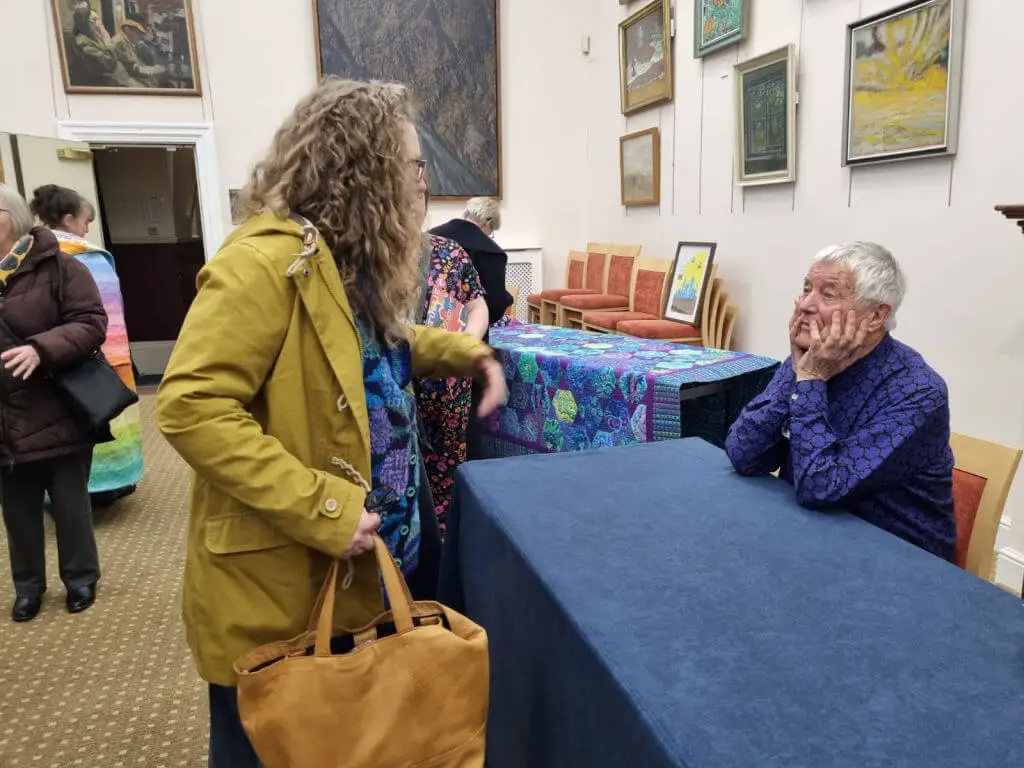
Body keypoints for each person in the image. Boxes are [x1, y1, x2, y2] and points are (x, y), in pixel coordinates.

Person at [155, 78, 506, 767]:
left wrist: (468, 353)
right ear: (366, 172)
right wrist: (322, 507)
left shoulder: (345, 264)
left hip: (367, 567)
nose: (421, 184)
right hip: (283, 585)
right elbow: (191, 406)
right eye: (413, 165)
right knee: (282, 739)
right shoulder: (262, 262)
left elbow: (376, 347)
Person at [725, 242, 955, 560]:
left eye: (828, 294)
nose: (805, 305)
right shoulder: (811, 362)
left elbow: (820, 486)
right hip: (811, 534)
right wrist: (799, 373)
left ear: (876, 316)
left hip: (895, 559)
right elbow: (744, 454)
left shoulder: (919, 391)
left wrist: (810, 379)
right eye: (806, 289)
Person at [0, 183, 108, 622]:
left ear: (11, 217)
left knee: (70, 505)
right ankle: (28, 587)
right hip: (4, 418)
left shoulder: (61, 266)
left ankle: (80, 578)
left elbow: (91, 322)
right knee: (17, 512)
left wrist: (40, 349)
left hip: (57, 408)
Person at [30, 185, 143, 503]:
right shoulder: (88, 257)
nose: (88, 229)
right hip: (98, 355)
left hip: (48, 353)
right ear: (68, 219)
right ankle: (108, 482)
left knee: (57, 421)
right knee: (106, 410)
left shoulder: (27, 256)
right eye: (86, 221)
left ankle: (60, 489)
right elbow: (110, 316)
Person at [412, 184, 488, 532]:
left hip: (447, 389)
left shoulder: (450, 252)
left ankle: (444, 542)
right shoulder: (370, 255)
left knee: (446, 473)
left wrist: (465, 347)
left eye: (419, 197)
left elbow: (478, 306)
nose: (413, 205)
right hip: (398, 384)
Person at [430, 196, 512, 336]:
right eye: (491, 231)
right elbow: (494, 306)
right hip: (471, 332)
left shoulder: (432, 236)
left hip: (426, 329)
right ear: (488, 223)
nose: (489, 235)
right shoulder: (491, 252)